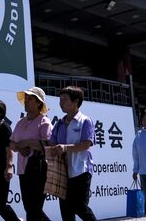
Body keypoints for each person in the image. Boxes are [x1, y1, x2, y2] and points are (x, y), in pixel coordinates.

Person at [49, 86, 97, 221]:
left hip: (81, 170)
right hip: (63, 172)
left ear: (76, 101)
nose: (61, 103)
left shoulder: (85, 121)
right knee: (66, 210)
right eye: (60, 99)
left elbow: (86, 144)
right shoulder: (59, 124)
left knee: (80, 206)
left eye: (64, 99)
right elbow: (52, 143)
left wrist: (64, 147)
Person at [10, 87, 52, 221]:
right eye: (25, 99)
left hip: (39, 171)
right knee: (30, 207)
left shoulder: (44, 122)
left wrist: (27, 142)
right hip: (23, 170)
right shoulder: (20, 122)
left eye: (30, 99)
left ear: (39, 103)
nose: (26, 102)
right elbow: (11, 143)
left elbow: (47, 145)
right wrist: (19, 147)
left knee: (34, 208)